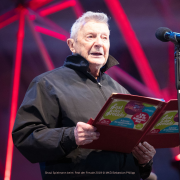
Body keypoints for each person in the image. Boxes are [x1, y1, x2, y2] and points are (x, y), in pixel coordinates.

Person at [12, 11, 156, 180]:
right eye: (90, 36)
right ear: (72, 45)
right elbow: (25, 136)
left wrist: (143, 161)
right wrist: (71, 136)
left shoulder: (120, 90)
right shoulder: (47, 84)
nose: (99, 43)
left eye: (104, 37)